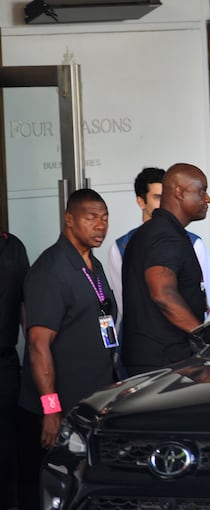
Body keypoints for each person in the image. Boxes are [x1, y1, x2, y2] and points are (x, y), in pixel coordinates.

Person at [16, 189, 117, 510]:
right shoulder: (51, 270)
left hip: (93, 403)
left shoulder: (92, 264)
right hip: (62, 408)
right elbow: (37, 344)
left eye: (104, 218)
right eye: (91, 218)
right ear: (69, 220)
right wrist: (50, 407)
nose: (100, 225)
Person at [121, 163, 210, 376]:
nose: (208, 199)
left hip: (156, 360)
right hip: (163, 364)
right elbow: (163, 294)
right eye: (202, 191)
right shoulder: (165, 236)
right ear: (179, 192)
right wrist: (204, 336)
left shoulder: (152, 231)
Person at [108, 167, 210, 324]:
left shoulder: (194, 243)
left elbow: (205, 301)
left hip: (182, 341)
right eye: (157, 197)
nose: (164, 202)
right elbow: (128, 304)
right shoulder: (122, 246)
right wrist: (196, 331)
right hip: (155, 340)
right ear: (141, 201)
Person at [0, 225, 29, 510]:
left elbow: (24, 305)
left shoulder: (13, 247)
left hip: (5, 362)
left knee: (7, 443)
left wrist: (36, 350)